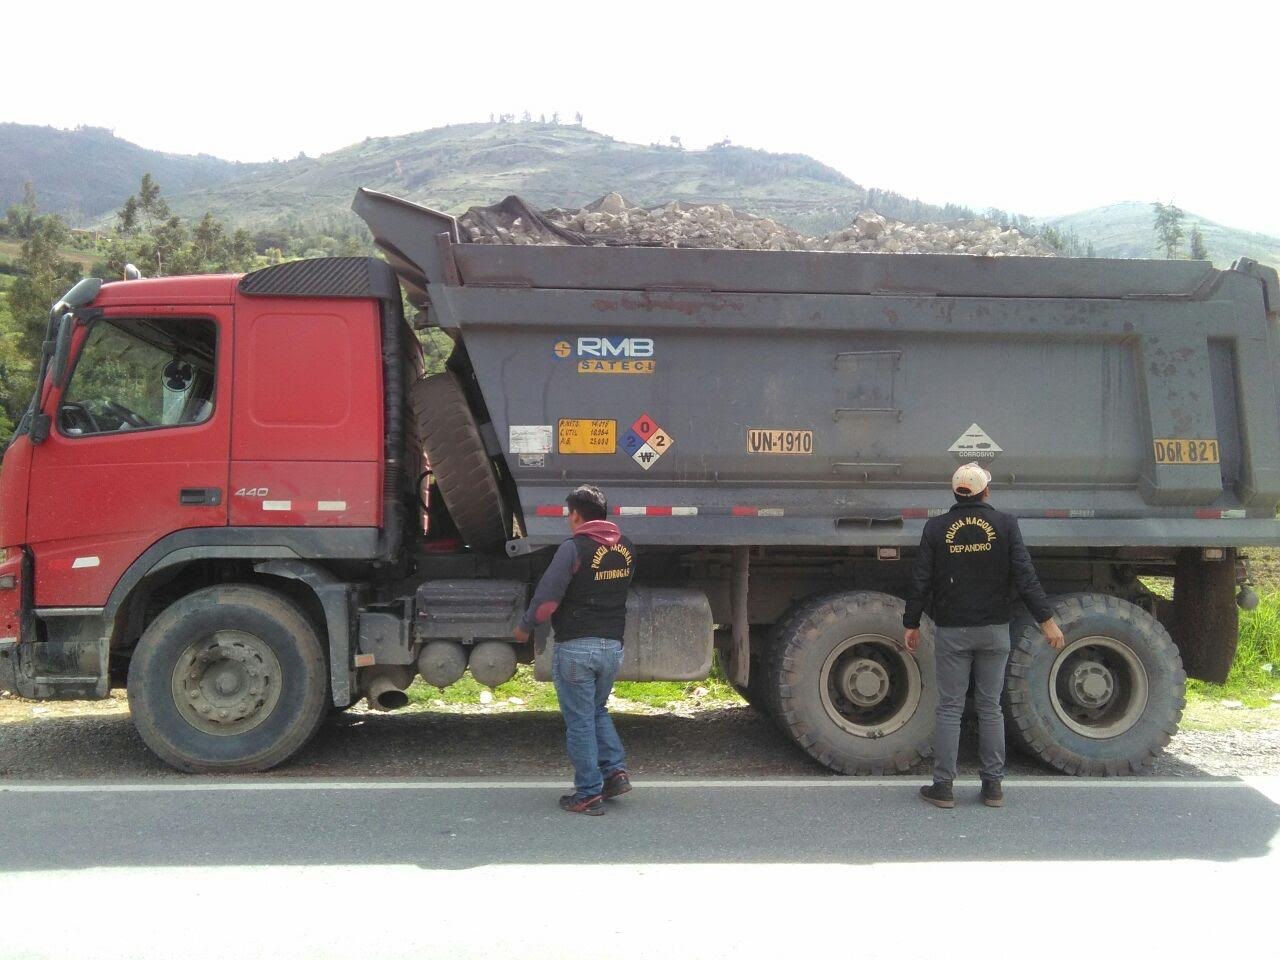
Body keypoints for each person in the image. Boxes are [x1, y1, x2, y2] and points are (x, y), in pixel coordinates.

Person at [903, 462, 1065, 809]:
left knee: (950, 708)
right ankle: (993, 787)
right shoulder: (1005, 525)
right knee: (991, 706)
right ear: (985, 491)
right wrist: (1047, 621)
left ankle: (943, 787)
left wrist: (911, 622)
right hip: (994, 630)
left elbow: (921, 580)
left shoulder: (936, 527)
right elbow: (1025, 576)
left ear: (955, 492)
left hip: (952, 630)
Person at [514, 485, 636, 815]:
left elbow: (548, 599)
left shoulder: (573, 548)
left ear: (577, 516)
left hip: (577, 649)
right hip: (612, 647)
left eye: (570, 515)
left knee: (580, 721)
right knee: (596, 710)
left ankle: (587, 793)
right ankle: (614, 772)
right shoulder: (626, 548)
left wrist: (525, 626)